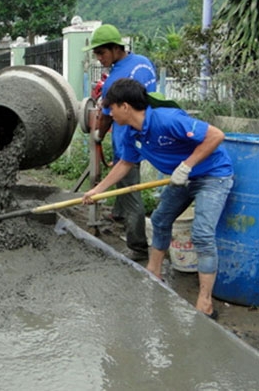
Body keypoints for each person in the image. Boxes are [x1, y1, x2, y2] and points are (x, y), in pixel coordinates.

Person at [82, 78, 233, 320]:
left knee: (202, 234)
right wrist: (98, 190)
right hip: (180, 178)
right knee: (161, 219)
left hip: (212, 176)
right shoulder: (131, 133)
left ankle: (205, 302)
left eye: (111, 108)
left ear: (125, 107)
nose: (109, 114)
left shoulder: (167, 120)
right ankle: (154, 273)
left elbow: (216, 135)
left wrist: (186, 166)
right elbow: (126, 163)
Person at [83, 24, 157, 261]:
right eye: (96, 54)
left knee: (130, 190)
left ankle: (137, 246)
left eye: (101, 53)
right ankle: (119, 215)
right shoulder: (144, 62)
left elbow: (105, 114)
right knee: (123, 182)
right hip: (144, 134)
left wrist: (99, 135)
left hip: (128, 140)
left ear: (116, 48)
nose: (99, 58)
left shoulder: (115, 78)